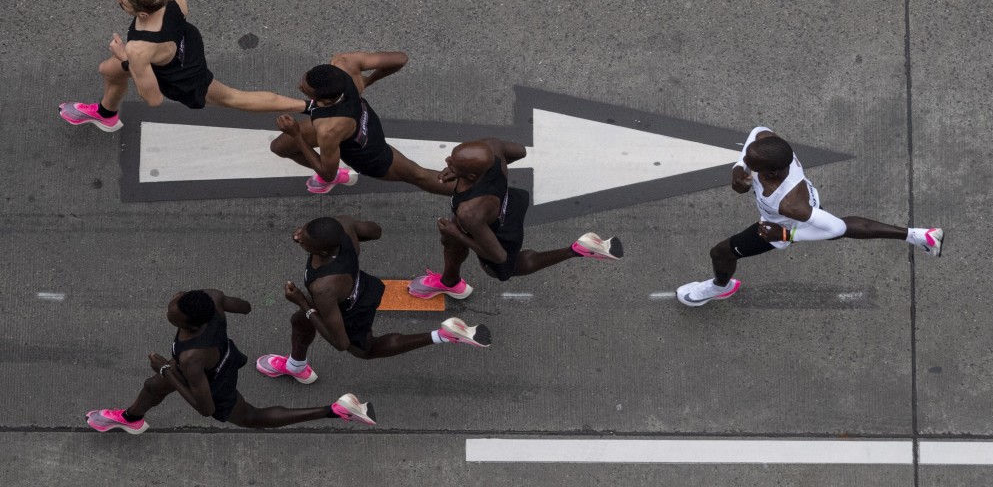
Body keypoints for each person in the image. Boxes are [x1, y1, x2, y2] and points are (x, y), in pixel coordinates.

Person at [676, 126, 945, 306]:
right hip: (810, 201)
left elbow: (836, 229)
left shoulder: (789, 204)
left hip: (782, 224)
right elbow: (758, 130)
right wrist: (738, 166)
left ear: (770, 172)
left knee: (721, 253)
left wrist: (786, 234)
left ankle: (719, 287)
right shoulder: (774, 151)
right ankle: (920, 236)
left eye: (751, 164)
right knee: (837, 223)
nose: (747, 163)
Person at [85, 289, 375, 434]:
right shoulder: (211, 299)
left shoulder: (191, 358)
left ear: (191, 324)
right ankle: (131, 420)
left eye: (173, 313)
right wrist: (224, 303)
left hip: (212, 379)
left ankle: (334, 410)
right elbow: (245, 308)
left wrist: (165, 369)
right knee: (153, 387)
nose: (169, 309)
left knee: (253, 418)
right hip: (221, 353)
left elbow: (205, 408)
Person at [255, 216, 490, 385]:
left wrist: (302, 302)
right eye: (301, 231)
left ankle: (443, 335)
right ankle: (296, 366)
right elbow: (375, 231)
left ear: (324, 252)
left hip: (347, 308)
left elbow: (340, 344)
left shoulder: (323, 287)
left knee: (364, 350)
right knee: (300, 322)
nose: (297, 236)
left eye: (302, 240)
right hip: (363, 286)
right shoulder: (344, 226)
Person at [60, 0, 306, 132]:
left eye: (122, 2)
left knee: (233, 98)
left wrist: (126, 59)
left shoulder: (138, 49)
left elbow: (154, 100)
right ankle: (106, 114)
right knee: (107, 70)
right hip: (184, 39)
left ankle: (308, 106)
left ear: (143, 14)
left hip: (182, 74)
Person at [408, 138, 624, 300]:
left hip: (497, 233)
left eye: (453, 163)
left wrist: (456, 234)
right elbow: (519, 151)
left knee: (507, 266)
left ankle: (576, 250)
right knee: (503, 254)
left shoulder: (470, 213)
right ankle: (578, 249)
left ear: (472, 176)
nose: (447, 162)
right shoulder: (492, 147)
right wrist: (466, 171)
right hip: (509, 206)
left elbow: (498, 255)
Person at [270, 53, 456, 194]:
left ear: (324, 101)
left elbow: (326, 173)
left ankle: (467, 193)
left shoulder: (329, 128)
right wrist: (369, 80)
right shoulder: (345, 65)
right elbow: (400, 58)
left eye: (305, 89)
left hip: (373, 156)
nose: (300, 86)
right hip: (360, 125)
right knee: (279, 147)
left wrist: (296, 134)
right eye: (305, 79)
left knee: (418, 175)